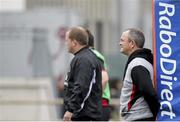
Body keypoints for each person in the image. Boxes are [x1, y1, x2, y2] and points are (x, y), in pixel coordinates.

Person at [119, 28, 160, 121]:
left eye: (122, 40)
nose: (119, 43)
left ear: (132, 43)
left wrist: (156, 112)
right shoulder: (141, 61)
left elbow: (148, 91)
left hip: (139, 117)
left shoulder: (137, 64)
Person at [63, 27, 102, 121]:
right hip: (81, 114)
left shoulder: (84, 59)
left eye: (67, 40)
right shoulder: (81, 57)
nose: (66, 43)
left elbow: (82, 87)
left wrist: (71, 110)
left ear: (74, 42)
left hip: (84, 115)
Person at [86, 29, 111, 121]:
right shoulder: (88, 56)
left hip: (99, 105)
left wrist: (93, 102)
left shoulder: (94, 55)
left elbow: (104, 79)